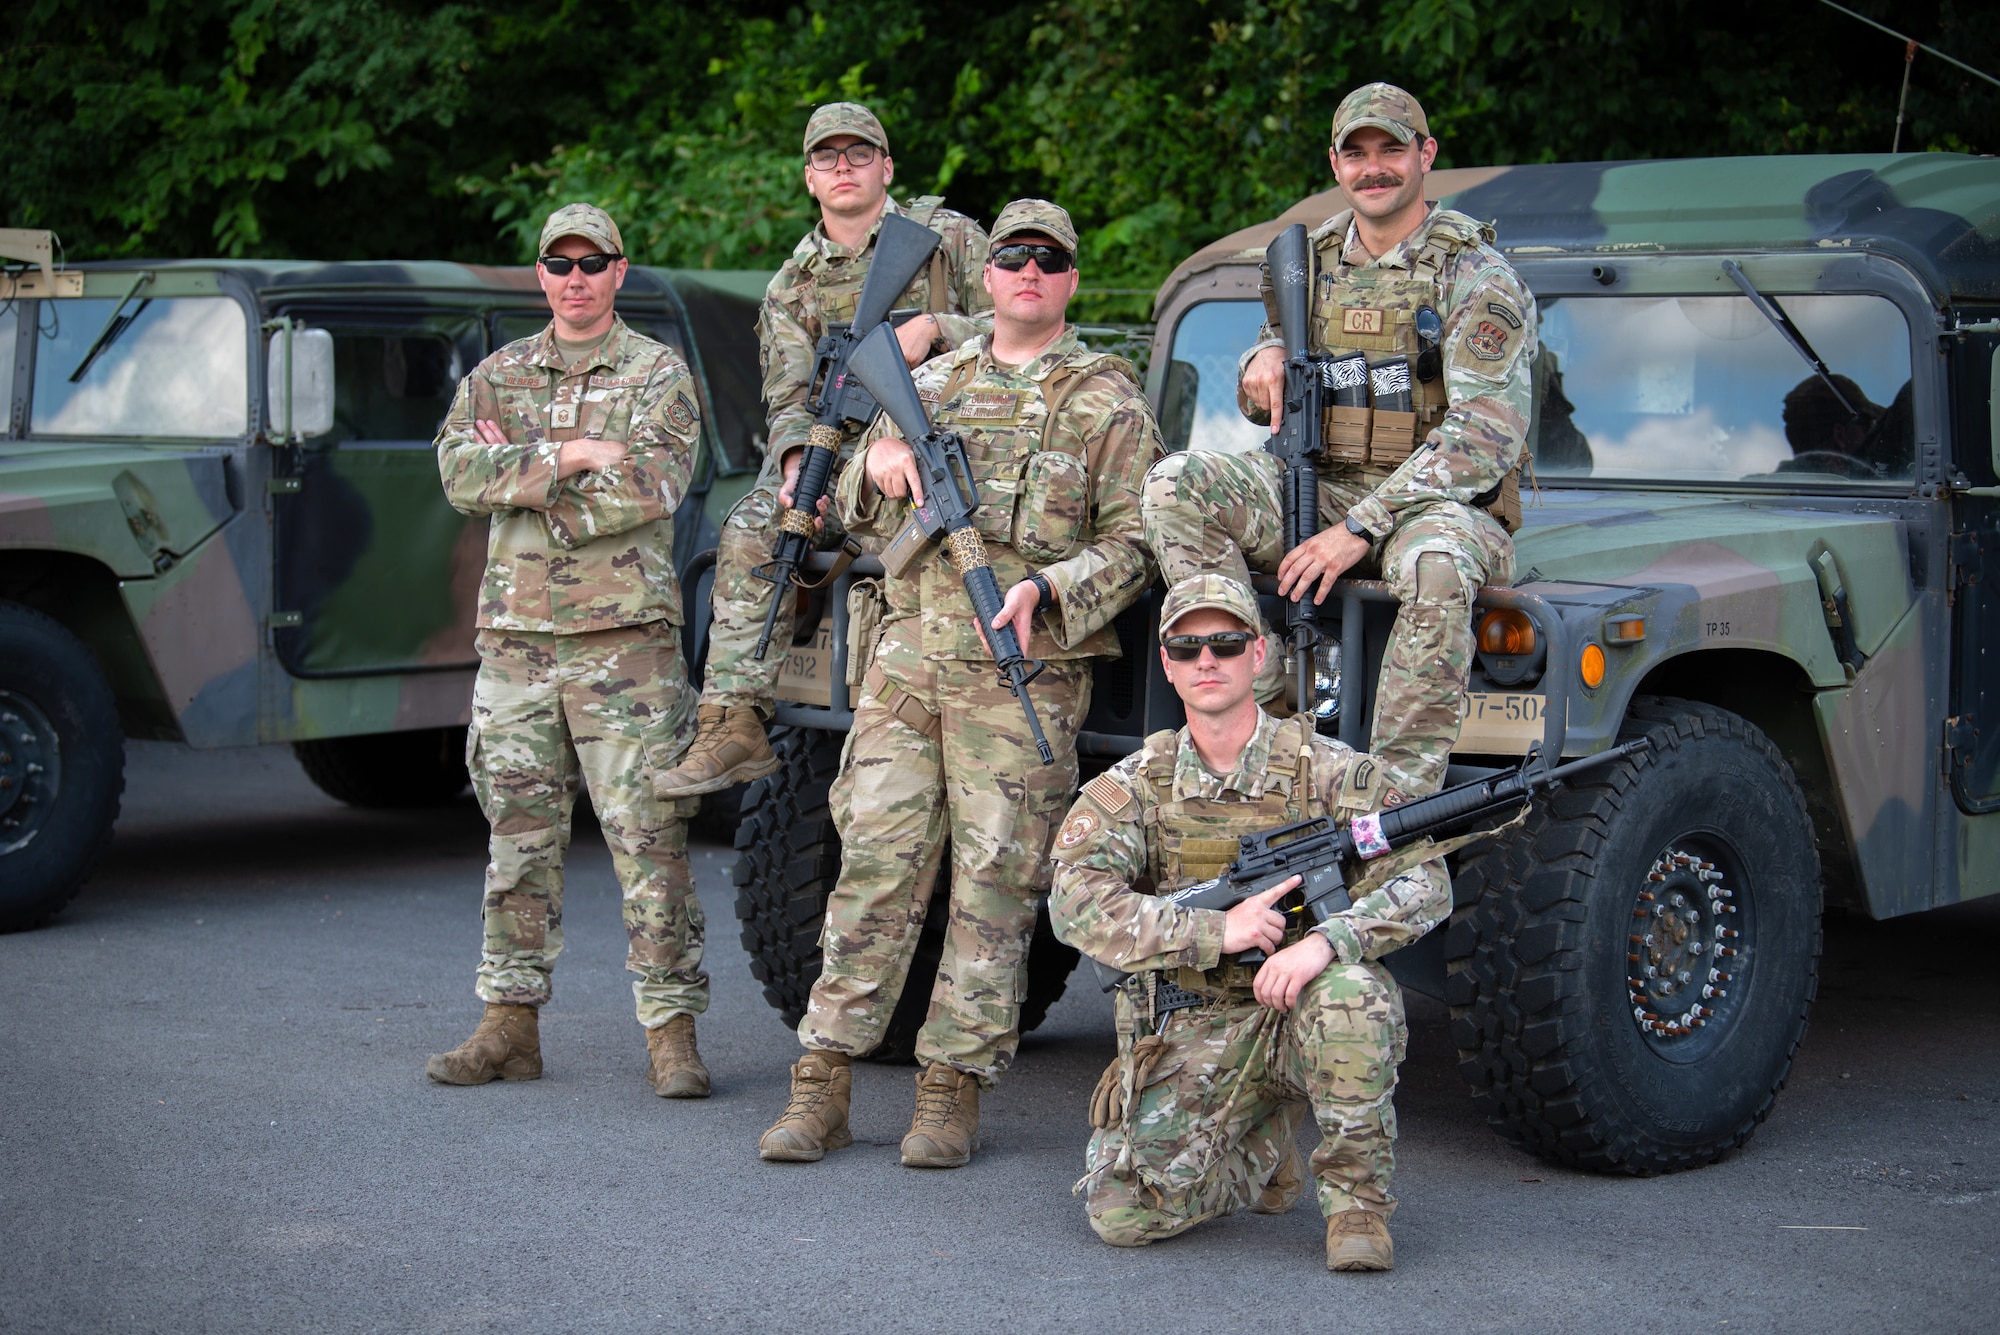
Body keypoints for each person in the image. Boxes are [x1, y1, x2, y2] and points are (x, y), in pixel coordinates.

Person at [757, 199, 1162, 1169]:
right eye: (1013, 255)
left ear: (1069, 280)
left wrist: (1045, 588)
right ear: (987, 276)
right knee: (873, 869)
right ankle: (820, 1082)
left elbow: (1139, 543)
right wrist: (880, 461)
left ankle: (950, 1091)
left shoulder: (1106, 401)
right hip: (906, 666)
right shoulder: (926, 382)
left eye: (1048, 259)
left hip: (1022, 672)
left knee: (995, 886)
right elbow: (843, 509)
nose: (1027, 270)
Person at [1142, 82, 1536, 797]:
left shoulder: (1475, 276)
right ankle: (1264, 707)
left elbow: (1484, 437)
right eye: (1357, 153)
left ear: (1427, 155)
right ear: (1335, 164)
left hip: (1437, 506)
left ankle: (1394, 796)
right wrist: (1255, 360)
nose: (1374, 167)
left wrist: (1362, 525)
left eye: (1392, 149)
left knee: (1438, 567)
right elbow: (1277, 354)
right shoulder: (1306, 261)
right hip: (1321, 483)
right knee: (1174, 485)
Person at [1049, 572, 1449, 1271]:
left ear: (1258, 655)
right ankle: (1263, 1146)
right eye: (1190, 646)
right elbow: (1072, 900)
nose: (1210, 659)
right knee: (1122, 1212)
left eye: (1228, 644)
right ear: (1168, 665)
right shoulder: (1141, 782)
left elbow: (1427, 878)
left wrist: (1329, 940)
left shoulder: (1327, 771)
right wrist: (1216, 932)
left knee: (1353, 996)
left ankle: (1356, 1206)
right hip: (1195, 1024)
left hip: (1300, 1009)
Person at [426, 203, 712, 1098]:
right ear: (541, 274)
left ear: (620, 271)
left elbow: (654, 485)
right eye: (561, 263)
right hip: (515, 645)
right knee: (517, 837)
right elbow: (453, 472)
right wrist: (575, 452)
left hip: (622, 649)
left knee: (647, 841)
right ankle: (509, 1026)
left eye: (595, 262)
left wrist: (521, 474)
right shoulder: (498, 375)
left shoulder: (658, 375)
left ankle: (672, 1032)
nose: (576, 278)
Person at [653, 101, 992, 800]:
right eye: (828, 157)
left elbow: (1024, 316)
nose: (845, 167)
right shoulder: (793, 285)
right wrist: (790, 467)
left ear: (886, 166)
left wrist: (934, 326)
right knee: (755, 526)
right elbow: (788, 399)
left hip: (949, 456)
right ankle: (734, 718)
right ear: (810, 178)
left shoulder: (946, 239)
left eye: (859, 153)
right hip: (847, 463)